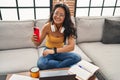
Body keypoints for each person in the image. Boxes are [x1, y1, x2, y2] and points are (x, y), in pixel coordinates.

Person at [32, 3, 81, 70]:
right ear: (53, 14)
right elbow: (38, 44)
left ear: (65, 17)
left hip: (60, 51)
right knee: (41, 64)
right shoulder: (47, 26)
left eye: (61, 15)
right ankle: (63, 65)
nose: (57, 16)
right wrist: (34, 40)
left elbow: (71, 47)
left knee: (77, 57)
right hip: (48, 50)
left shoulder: (68, 28)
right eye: (56, 13)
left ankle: (57, 66)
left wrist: (53, 51)